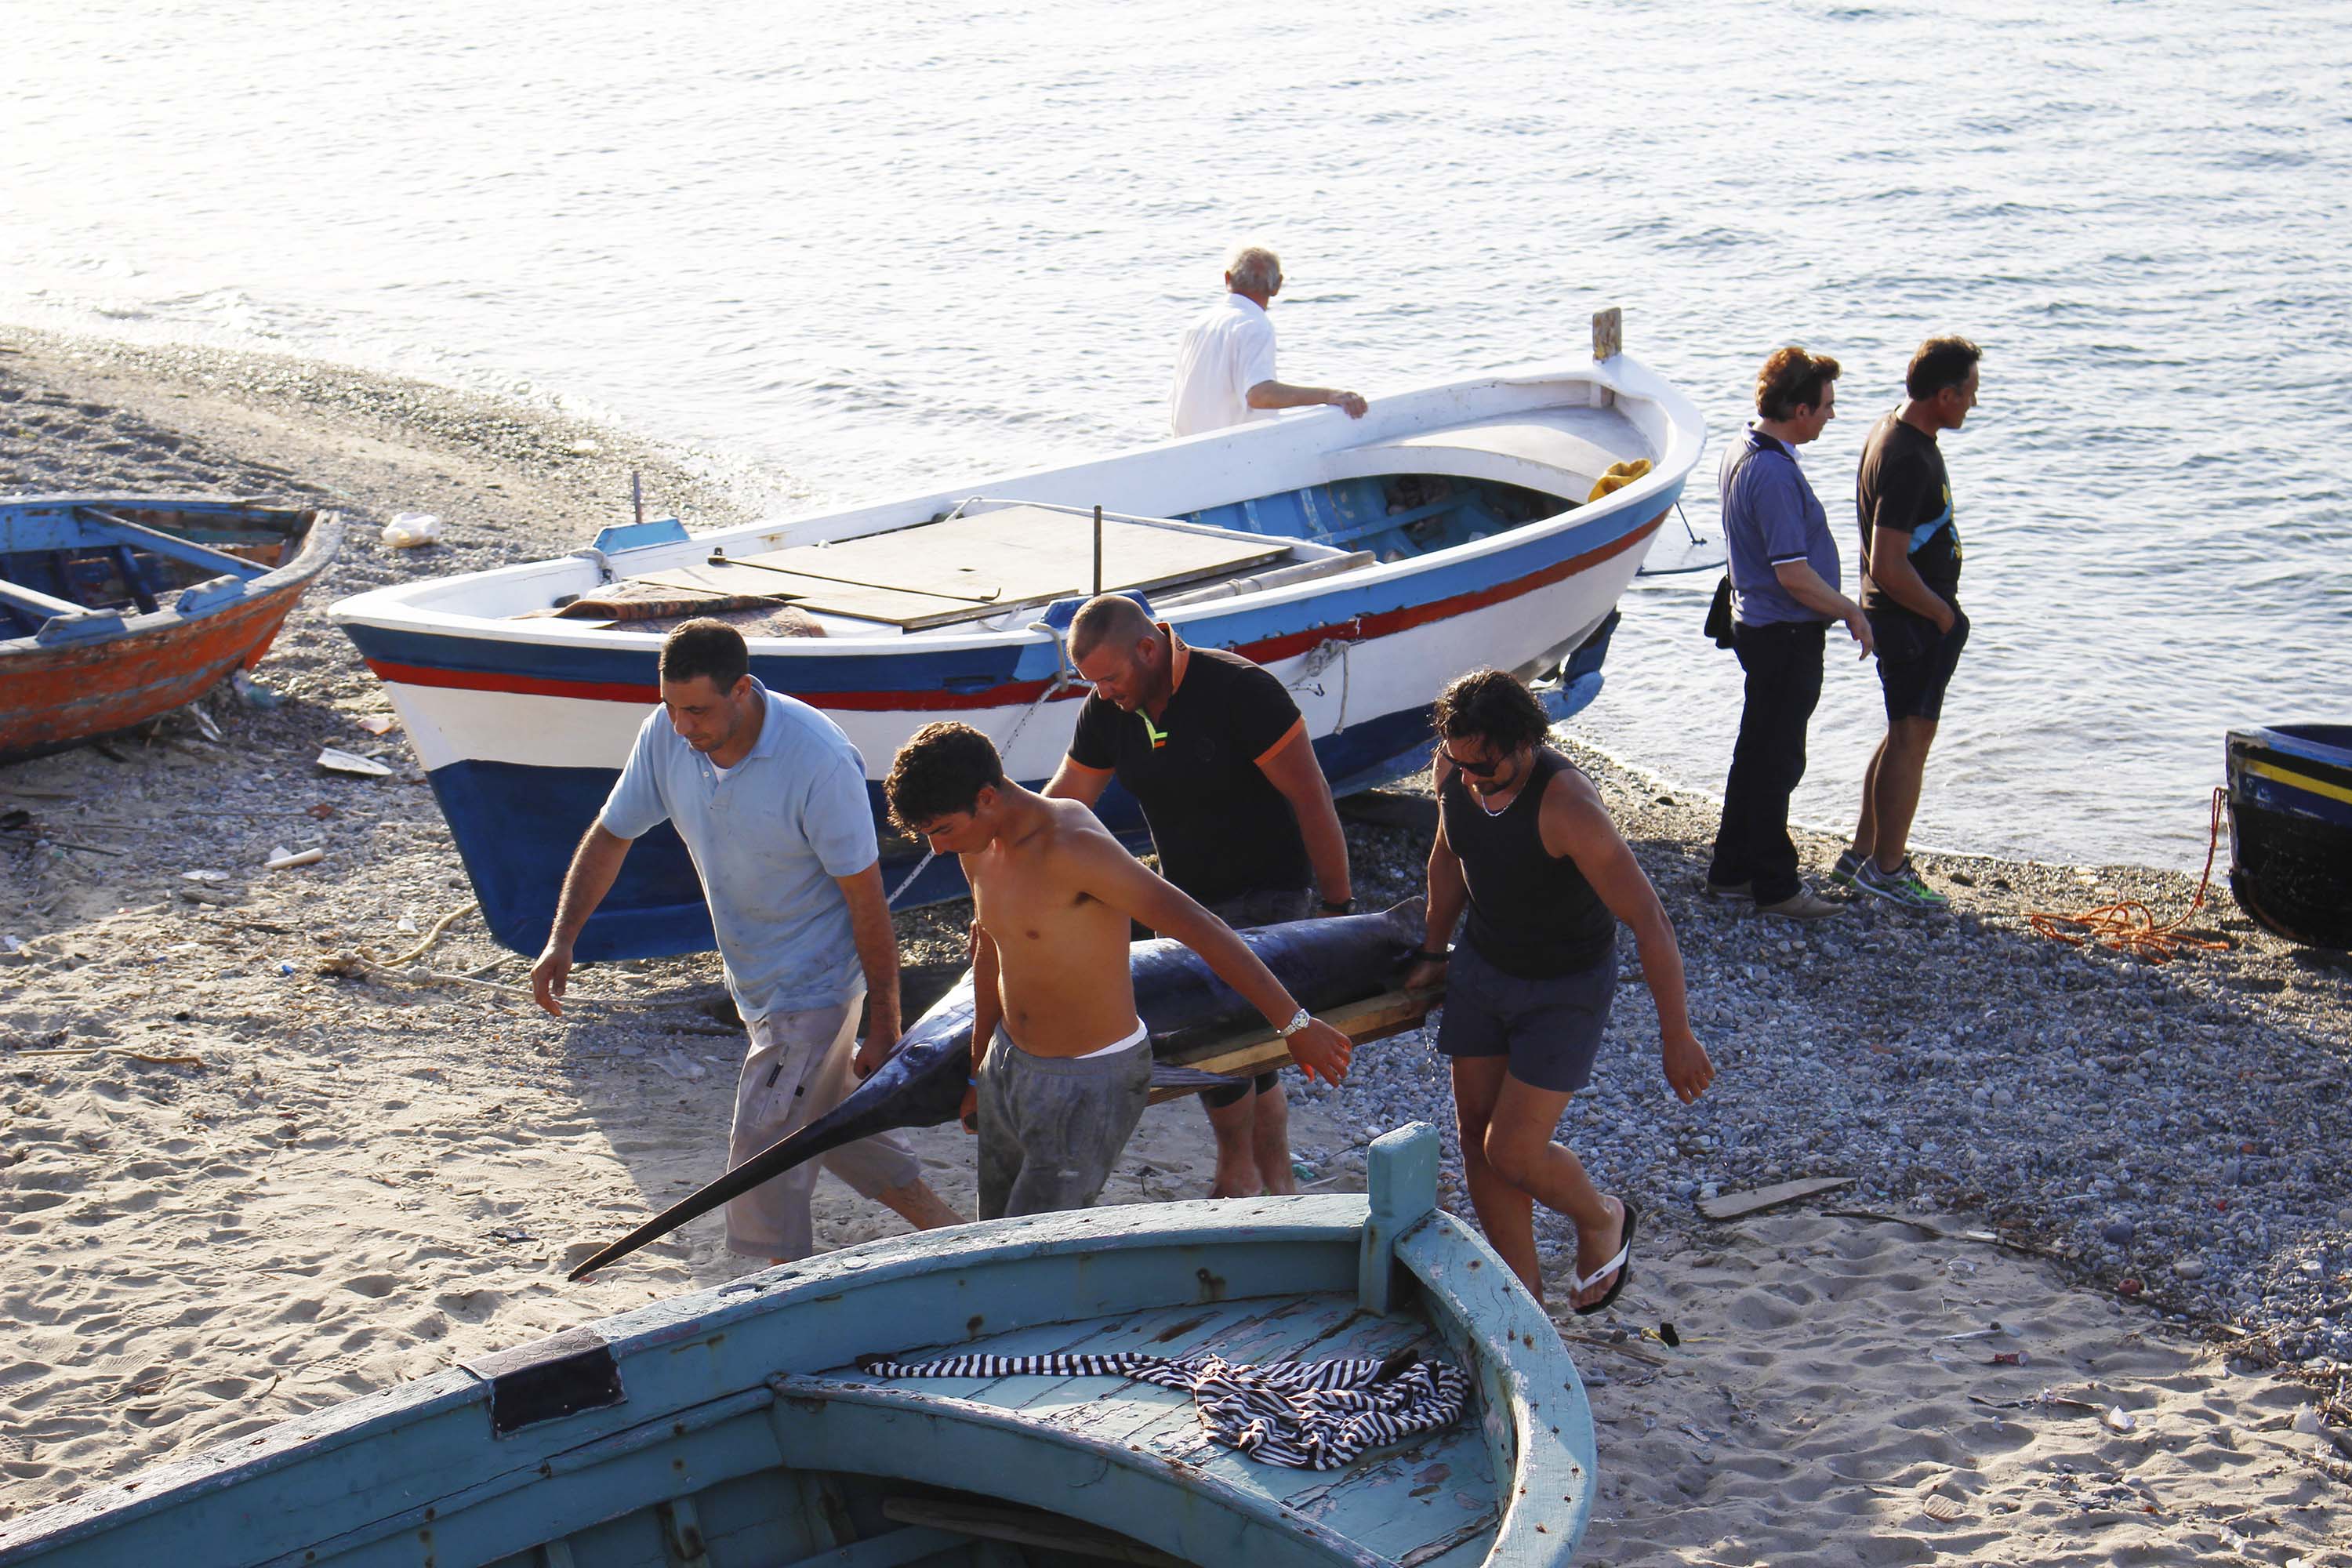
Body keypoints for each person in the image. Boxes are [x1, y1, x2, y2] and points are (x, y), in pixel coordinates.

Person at [530, 619, 962, 1265]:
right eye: (671, 708)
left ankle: (769, 1292)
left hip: (814, 988)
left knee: (761, 1156)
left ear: (742, 691)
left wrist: (885, 1022)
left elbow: (866, 900)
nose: (682, 727)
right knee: (834, 1125)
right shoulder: (668, 734)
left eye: (697, 710)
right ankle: (956, 1234)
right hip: (754, 983)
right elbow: (613, 832)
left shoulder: (815, 759)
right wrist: (562, 938)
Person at [884, 722, 1355, 1220]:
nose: (936, 848)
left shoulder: (1074, 845)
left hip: (1090, 1075)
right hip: (1009, 1063)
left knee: (1034, 1243)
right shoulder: (977, 849)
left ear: (985, 797)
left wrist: (1295, 1023)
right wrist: (980, 1073)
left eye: (941, 830)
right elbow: (989, 953)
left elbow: (1202, 928)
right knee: (993, 1227)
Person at [1403, 670, 1715, 1312]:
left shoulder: (1568, 806)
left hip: (1563, 986)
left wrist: (1676, 1034)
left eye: (1484, 767)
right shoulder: (1455, 765)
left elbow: (1649, 919)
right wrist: (1435, 952)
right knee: (1475, 1140)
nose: (1469, 778)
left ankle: (1602, 1218)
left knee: (1512, 1152)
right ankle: (1526, 1304)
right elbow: (1447, 856)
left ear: (1526, 743)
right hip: (1485, 967)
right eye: (1458, 762)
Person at [1044, 593, 1353, 1200]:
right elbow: (1064, 800)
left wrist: (1341, 909)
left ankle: (1236, 1172)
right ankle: (1278, 1180)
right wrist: (1000, 833)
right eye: (1091, 682)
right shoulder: (1109, 706)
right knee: (1255, 1051)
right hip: (1184, 897)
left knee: (1214, 1026)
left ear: (1148, 648)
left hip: (1268, 889)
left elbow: (1311, 795)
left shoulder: (1240, 689)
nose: (1102, 692)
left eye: (1108, 677)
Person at [1704, 346, 1874, 920]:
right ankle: (1775, 886)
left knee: (1756, 754)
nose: (1830, 416)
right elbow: (1793, 573)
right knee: (1778, 760)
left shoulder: (1743, 449)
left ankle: (1731, 872)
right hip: (1783, 633)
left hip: (1758, 623)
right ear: (1799, 409)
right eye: (1826, 406)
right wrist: (1850, 609)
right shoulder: (1773, 472)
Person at [1834, 336, 1984, 913]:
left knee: (1903, 735)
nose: (1974, 402)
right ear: (1943, 395)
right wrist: (1942, 613)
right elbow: (1890, 564)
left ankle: (1863, 854)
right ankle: (1888, 870)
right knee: (1912, 738)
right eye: (1969, 392)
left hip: (1906, 615)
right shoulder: (1907, 457)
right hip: (1911, 617)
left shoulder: (1894, 430)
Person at [1169, 244, 1369, 437]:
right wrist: (1328, 396)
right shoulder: (1254, 325)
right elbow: (1260, 395)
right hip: (1234, 453)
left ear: (1227, 278)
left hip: (1188, 450)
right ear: (1277, 286)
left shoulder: (1197, 325)